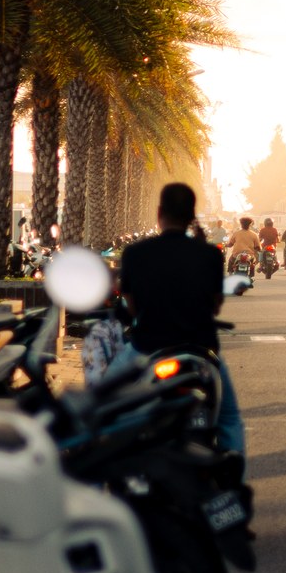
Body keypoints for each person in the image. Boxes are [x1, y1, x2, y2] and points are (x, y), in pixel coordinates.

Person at [112, 183, 244, 463]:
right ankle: (233, 483)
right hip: (201, 351)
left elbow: (132, 307)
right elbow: (215, 305)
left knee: (102, 406)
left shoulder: (135, 253)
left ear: (159, 213)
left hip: (146, 348)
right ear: (191, 215)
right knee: (229, 418)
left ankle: (101, 482)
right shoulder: (210, 254)